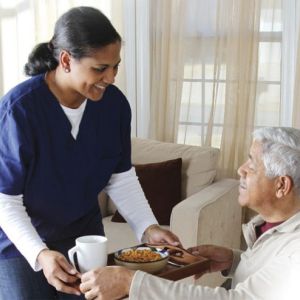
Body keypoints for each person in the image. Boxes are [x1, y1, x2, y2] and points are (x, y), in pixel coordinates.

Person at [0, 6, 180, 300]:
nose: (110, 78)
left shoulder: (114, 106)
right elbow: (5, 200)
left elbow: (120, 177)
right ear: (67, 60)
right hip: (19, 243)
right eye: (100, 68)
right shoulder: (20, 111)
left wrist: (148, 227)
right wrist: (41, 254)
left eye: (115, 66)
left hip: (83, 234)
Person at [80, 126, 300, 300]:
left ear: (282, 185)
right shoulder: (273, 225)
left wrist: (131, 283)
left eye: (252, 164)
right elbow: (274, 280)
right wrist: (234, 260)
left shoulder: (295, 250)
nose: (240, 169)